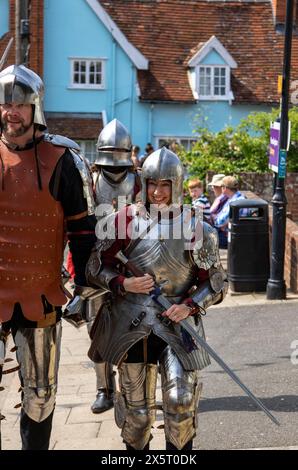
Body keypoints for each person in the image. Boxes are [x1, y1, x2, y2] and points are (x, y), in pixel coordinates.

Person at [87, 147, 228, 450]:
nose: (158, 192)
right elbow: (95, 268)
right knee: (137, 418)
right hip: (130, 322)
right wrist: (124, 283)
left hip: (177, 325)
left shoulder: (196, 227)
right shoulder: (121, 221)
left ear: (177, 184)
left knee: (180, 404)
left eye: (166, 185)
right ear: (144, 184)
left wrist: (189, 306)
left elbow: (216, 284)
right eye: (153, 184)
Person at [0, 64, 97, 450]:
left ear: (35, 106)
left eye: (20, 103)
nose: (12, 111)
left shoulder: (64, 160)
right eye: (6, 102)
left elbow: (83, 232)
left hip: (40, 295)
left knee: (40, 398)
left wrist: (85, 289)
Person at [89, 119, 141, 414]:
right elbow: (79, 224)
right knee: (95, 329)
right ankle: (103, 388)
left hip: (132, 263)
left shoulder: (141, 180)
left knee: (130, 326)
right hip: (95, 263)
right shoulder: (90, 179)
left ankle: (129, 388)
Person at [213, 175, 246, 249]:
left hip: (230, 237)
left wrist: (220, 222)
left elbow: (219, 222)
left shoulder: (234, 202)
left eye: (221, 186)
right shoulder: (239, 197)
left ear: (225, 188)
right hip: (237, 235)